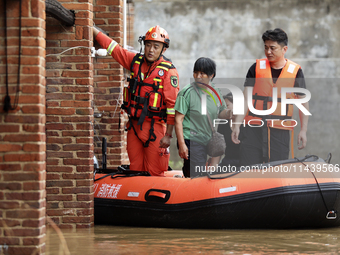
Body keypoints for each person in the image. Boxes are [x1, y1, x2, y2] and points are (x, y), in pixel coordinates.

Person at [93, 25, 179, 176]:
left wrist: (169, 135)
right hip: (133, 126)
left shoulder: (168, 72)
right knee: (135, 169)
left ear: (163, 49)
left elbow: (172, 107)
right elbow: (114, 49)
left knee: (155, 171)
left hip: (155, 129)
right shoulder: (135, 62)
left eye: (156, 46)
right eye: (148, 45)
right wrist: (93, 31)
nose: (151, 50)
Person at [231, 28, 309, 166]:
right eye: (266, 47)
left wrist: (303, 130)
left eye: (273, 48)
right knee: (249, 170)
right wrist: (237, 125)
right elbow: (246, 99)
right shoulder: (255, 68)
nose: (268, 52)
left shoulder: (296, 72)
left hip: (280, 131)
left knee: (277, 171)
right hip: (252, 129)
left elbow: (303, 103)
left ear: (284, 49)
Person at [174, 57, 231, 177]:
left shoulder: (215, 91)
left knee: (196, 173)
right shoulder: (187, 92)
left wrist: (229, 114)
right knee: (198, 175)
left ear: (211, 75)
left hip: (207, 140)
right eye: (196, 72)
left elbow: (221, 111)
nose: (198, 76)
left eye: (202, 73)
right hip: (191, 140)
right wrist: (182, 144)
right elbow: (178, 120)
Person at [218, 93, 240, 167]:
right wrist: (213, 169)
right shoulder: (223, 123)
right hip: (228, 162)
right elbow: (218, 148)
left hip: (246, 163)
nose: (224, 110)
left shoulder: (248, 123)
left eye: (226, 106)